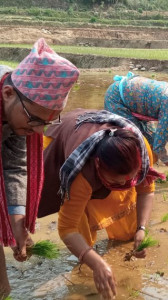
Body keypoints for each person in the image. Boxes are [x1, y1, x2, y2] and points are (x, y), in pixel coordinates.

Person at [38, 109, 164, 300]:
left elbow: (146, 189)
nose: (124, 184)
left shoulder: (140, 149)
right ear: (98, 166)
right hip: (64, 134)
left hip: (98, 134)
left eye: (130, 178)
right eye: (116, 180)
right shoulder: (81, 173)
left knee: (127, 222)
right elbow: (67, 228)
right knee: (82, 229)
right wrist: (97, 264)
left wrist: (142, 228)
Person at [0, 38, 79, 299]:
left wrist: (18, 224)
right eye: (34, 119)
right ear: (8, 94)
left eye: (45, 122)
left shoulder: (15, 109)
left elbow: (14, 167)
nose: (37, 132)